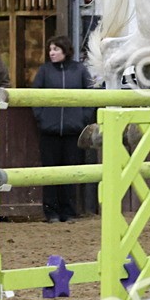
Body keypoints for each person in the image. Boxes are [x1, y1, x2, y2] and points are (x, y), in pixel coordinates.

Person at [31, 35, 95, 223]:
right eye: (50, 49)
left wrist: (82, 118)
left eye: (56, 49)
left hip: (73, 132)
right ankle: (51, 211)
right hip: (49, 132)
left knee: (70, 172)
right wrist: (42, 117)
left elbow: (91, 95)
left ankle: (68, 211)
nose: (51, 53)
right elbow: (35, 96)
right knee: (49, 172)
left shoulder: (80, 70)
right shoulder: (44, 71)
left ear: (65, 51)